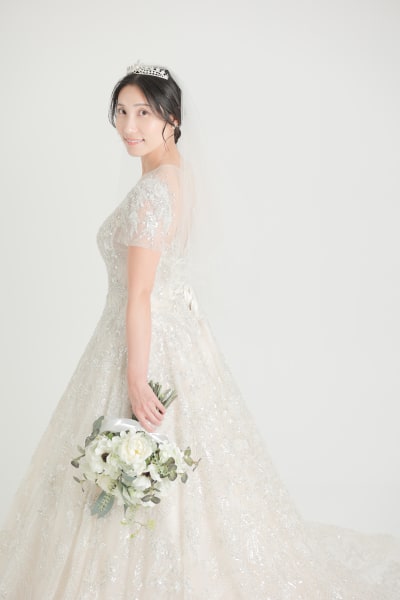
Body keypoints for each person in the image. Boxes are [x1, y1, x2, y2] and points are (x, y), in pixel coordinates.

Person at [0, 63, 399, 600]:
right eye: (121, 113)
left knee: (139, 456)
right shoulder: (178, 177)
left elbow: (141, 293)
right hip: (179, 336)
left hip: (141, 341)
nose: (129, 126)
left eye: (144, 113)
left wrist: (136, 380)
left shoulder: (152, 193)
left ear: (173, 118)